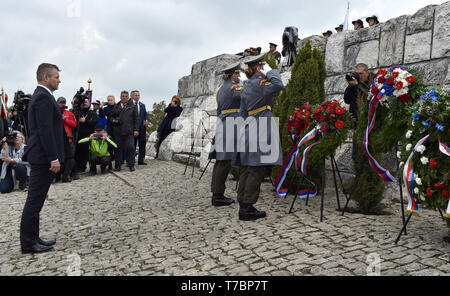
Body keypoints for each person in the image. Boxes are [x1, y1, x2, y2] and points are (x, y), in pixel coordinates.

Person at [20, 63, 64, 254]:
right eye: (56, 77)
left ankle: (33, 238)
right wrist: (53, 158)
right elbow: (46, 131)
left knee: (36, 201)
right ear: (46, 78)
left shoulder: (42, 96)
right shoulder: (43, 98)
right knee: (34, 201)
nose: (59, 80)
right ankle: (28, 243)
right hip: (42, 157)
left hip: (41, 156)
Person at [234, 54, 283, 221]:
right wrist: (271, 72)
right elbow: (279, 84)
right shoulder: (261, 83)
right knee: (256, 168)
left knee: (247, 168)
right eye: (263, 66)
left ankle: (243, 204)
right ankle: (248, 207)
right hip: (260, 127)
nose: (265, 68)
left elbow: (242, 113)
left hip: (248, 127)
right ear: (259, 68)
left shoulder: (247, 86)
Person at [210, 62, 242, 207]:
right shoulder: (233, 87)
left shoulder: (221, 89)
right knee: (224, 161)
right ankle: (218, 196)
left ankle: (217, 193)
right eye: (238, 74)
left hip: (222, 124)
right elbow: (246, 95)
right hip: (230, 126)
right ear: (232, 75)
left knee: (220, 161)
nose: (239, 77)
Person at [344, 63, 373, 160]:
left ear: (367, 73)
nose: (359, 76)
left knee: (368, 154)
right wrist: (350, 86)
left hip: (369, 124)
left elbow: (367, 95)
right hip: (356, 123)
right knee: (356, 154)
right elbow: (347, 100)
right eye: (357, 74)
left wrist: (357, 85)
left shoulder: (372, 83)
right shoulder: (355, 84)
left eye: (361, 74)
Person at [110, 91, 139, 172]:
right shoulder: (116, 106)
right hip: (118, 131)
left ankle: (131, 165)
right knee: (118, 148)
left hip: (129, 131)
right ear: (120, 97)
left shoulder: (133, 106)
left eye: (126, 96)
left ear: (128, 97)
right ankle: (118, 166)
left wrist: (136, 129)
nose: (124, 97)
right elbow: (111, 118)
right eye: (123, 96)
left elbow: (136, 119)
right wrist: (114, 121)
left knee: (131, 147)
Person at [57, 97, 77, 183]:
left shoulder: (69, 113)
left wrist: (66, 120)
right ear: (57, 103)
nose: (62, 104)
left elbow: (74, 124)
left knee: (70, 158)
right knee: (58, 158)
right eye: (61, 102)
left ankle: (66, 175)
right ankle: (57, 176)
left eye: (64, 102)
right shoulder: (54, 112)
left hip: (68, 138)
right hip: (58, 139)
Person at [74, 98, 97, 173]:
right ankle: (77, 166)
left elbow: (94, 122)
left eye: (86, 102)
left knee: (85, 152)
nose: (85, 103)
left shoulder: (92, 112)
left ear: (89, 103)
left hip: (88, 135)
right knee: (77, 151)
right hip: (78, 134)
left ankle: (83, 167)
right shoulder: (79, 111)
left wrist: (85, 121)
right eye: (83, 102)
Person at [131, 90, 149, 165]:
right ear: (132, 96)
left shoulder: (142, 105)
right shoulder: (129, 105)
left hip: (142, 128)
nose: (137, 96)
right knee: (132, 144)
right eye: (136, 95)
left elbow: (145, 114)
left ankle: (141, 160)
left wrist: (146, 119)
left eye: (138, 95)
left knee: (142, 144)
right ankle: (131, 160)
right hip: (132, 128)